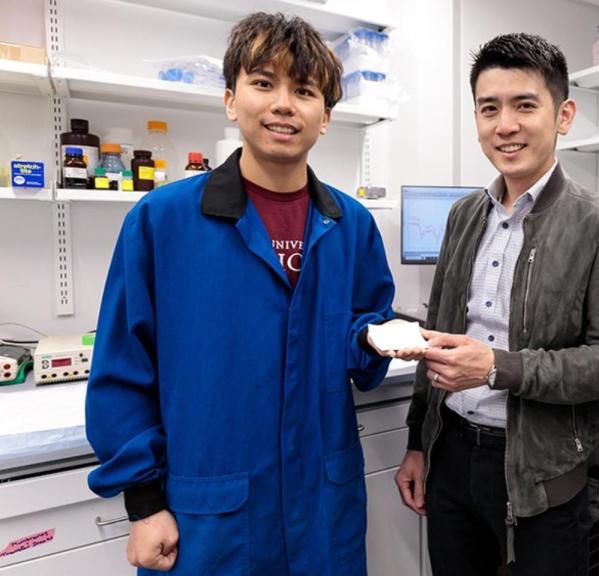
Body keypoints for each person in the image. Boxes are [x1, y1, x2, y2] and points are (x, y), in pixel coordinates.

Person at [85, 12, 394, 575]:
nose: (283, 104)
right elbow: (122, 371)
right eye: (263, 83)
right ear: (231, 100)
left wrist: (378, 339)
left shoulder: (350, 224)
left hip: (323, 510)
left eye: (303, 91)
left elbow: (359, 338)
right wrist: (144, 503)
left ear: (325, 116)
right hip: (209, 518)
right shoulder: (162, 222)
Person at [394, 33, 599, 575]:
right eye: (489, 108)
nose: (504, 125)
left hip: (540, 471)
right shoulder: (465, 215)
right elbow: (435, 332)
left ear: (563, 115)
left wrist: (499, 367)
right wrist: (418, 442)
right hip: (451, 455)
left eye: (524, 105)